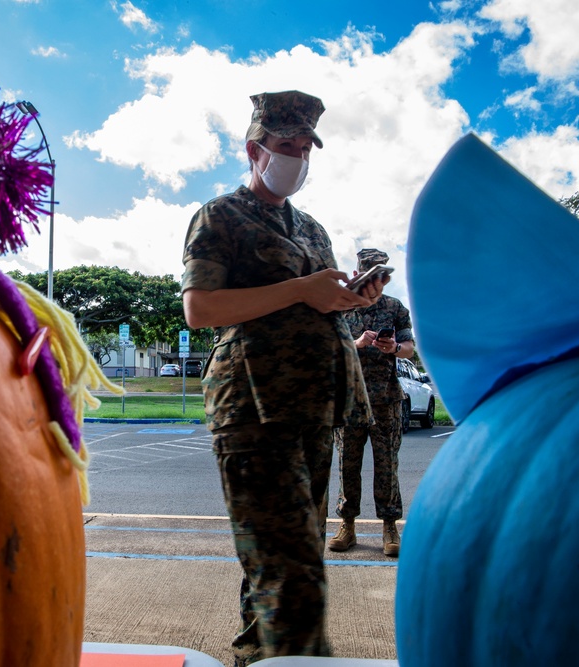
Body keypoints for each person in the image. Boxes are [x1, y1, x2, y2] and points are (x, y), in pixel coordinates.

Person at [181, 90, 386, 666]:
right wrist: (301, 287)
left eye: (305, 148)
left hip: (314, 407)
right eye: (287, 146)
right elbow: (200, 309)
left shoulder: (312, 228)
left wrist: (348, 298)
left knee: (280, 561)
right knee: (292, 572)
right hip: (253, 409)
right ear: (255, 149)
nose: (298, 158)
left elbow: (315, 302)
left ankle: (257, 656)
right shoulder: (221, 215)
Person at [328, 248, 416, 558]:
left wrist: (393, 347)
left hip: (385, 400)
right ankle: (347, 525)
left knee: (387, 467)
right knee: (347, 466)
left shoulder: (395, 308)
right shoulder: (342, 308)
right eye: (368, 275)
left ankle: (390, 526)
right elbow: (333, 349)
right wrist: (360, 343)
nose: (374, 282)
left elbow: (409, 348)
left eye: (379, 276)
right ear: (357, 275)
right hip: (351, 399)